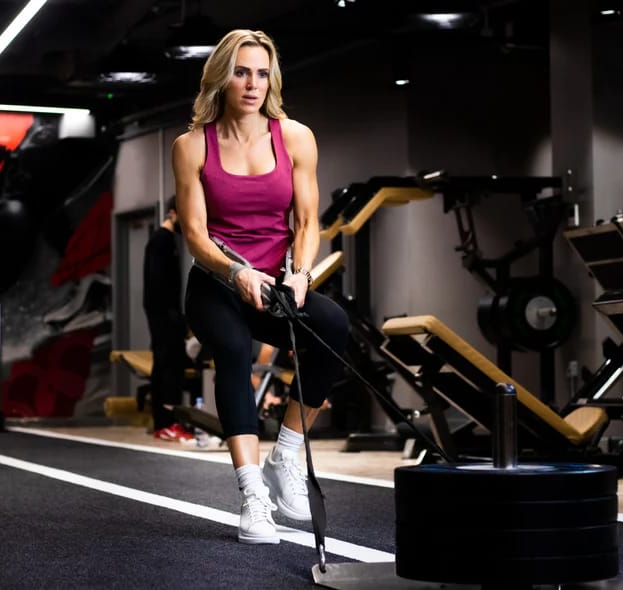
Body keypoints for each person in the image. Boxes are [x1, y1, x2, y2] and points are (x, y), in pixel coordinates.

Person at [172, 29, 350, 544]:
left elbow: (308, 221)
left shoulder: (295, 137)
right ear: (221, 77)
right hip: (216, 284)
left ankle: (285, 456)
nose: (252, 84)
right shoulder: (191, 146)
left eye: (262, 73)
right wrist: (236, 271)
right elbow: (195, 235)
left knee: (333, 325)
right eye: (241, 72)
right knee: (232, 349)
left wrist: (300, 274)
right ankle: (253, 495)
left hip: (276, 285)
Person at [142, 195, 193, 443]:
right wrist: (173, 318)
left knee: (167, 365)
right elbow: (156, 283)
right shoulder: (161, 240)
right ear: (173, 213)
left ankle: (166, 422)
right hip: (163, 314)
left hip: (165, 313)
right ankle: (166, 423)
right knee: (168, 366)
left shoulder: (167, 240)